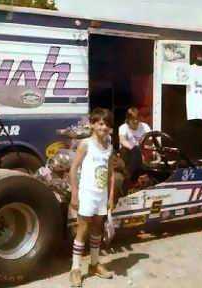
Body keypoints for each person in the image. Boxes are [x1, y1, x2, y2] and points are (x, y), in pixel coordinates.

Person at [69, 108, 115, 287]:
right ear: (93, 125)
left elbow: (111, 173)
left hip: (101, 196)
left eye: (107, 125)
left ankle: (94, 264)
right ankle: (75, 268)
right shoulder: (85, 144)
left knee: (97, 230)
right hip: (87, 194)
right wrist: (74, 193)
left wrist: (111, 196)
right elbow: (73, 168)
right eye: (101, 123)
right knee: (82, 229)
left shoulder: (109, 147)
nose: (104, 127)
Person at [118, 107, 151, 180]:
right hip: (128, 153)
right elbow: (122, 141)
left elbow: (150, 141)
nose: (136, 121)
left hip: (142, 151)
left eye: (137, 119)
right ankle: (129, 175)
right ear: (128, 119)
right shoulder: (123, 127)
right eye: (133, 119)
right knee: (135, 151)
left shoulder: (145, 126)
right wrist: (135, 149)